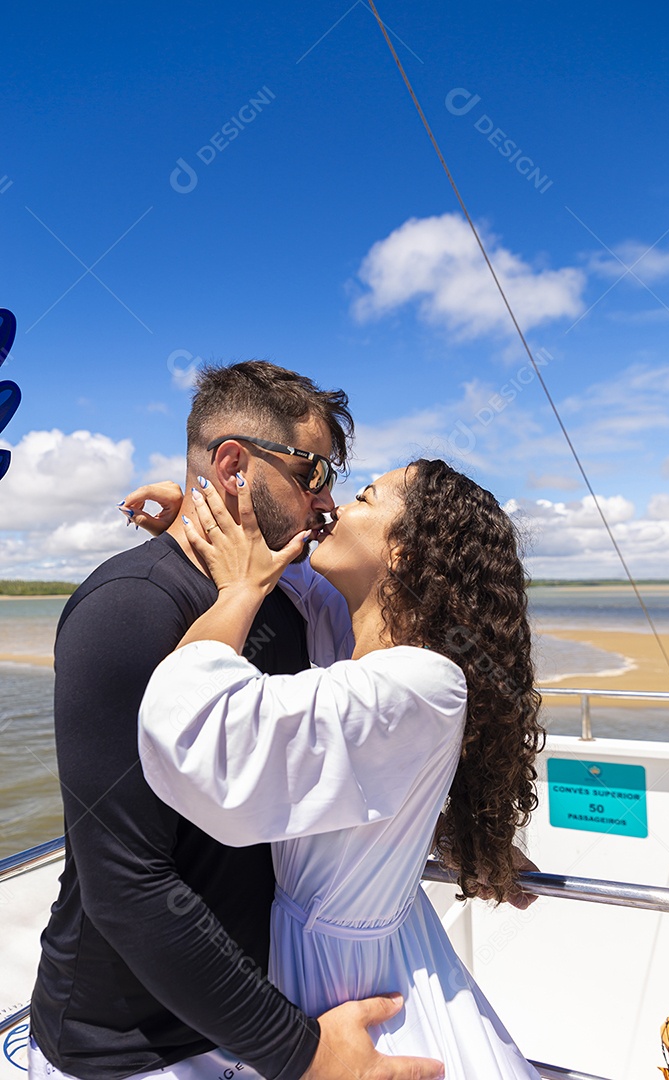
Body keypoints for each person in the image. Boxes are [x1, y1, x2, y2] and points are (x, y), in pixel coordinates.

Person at [29, 361, 447, 1080]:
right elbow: (127, 884)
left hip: (253, 1015)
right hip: (131, 1048)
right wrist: (305, 1057)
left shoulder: (285, 601)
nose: (327, 502)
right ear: (234, 465)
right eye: (313, 472)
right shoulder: (130, 607)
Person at [138, 459, 545, 1077]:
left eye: (364, 497)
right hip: (322, 951)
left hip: (351, 975)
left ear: (403, 551)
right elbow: (279, 554)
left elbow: (204, 738)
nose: (332, 507)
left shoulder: (422, 679)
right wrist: (198, 512)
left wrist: (239, 593)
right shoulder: (344, 632)